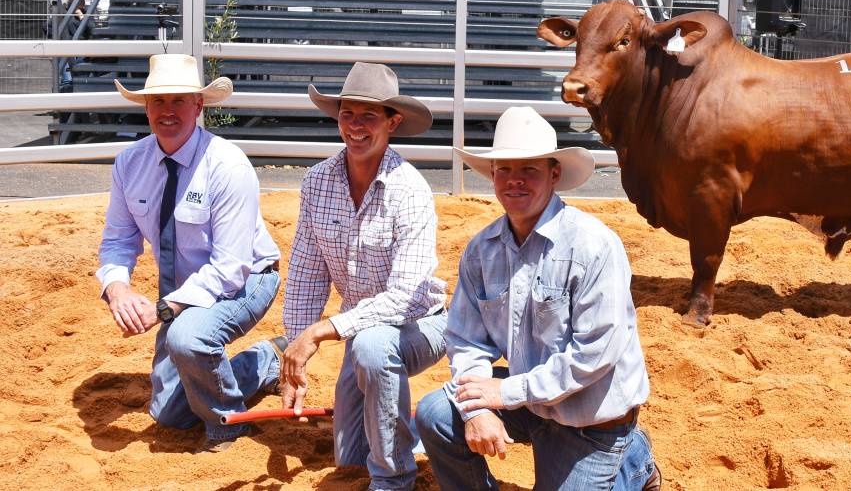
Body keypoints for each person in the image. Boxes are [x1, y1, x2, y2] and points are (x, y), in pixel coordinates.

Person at [415, 106, 661, 490]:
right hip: (530, 399)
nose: (515, 181)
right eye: (505, 170)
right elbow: (465, 340)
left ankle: (633, 461)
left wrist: (506, 391)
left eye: (528, 169)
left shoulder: (592, 245)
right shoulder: (482, 251)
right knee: (436, 413)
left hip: (589, 422)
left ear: (554, 174)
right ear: (493, 176)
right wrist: (478, 407)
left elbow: (595, 354)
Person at [96, 53, 283, 453]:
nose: (168, 111)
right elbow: (117, 241)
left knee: (187, 336)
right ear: (145, 107)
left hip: (249, 279)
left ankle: (228, 424)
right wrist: (117, 289)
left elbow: (231, 268)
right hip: (186, 292)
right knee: (170, 414)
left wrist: (164, 310)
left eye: (179, 100)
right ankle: (264, 361)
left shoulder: (227, 164)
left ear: (198, 106)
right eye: (158, 101)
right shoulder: (129, 163)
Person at [282, 62, 449, 491]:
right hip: (358, 329)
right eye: (347, 114)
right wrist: (297, 351)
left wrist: (322, 332)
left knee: (374, 348)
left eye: (368, 116)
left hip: (422, 323)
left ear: (392, 122)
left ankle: (395, 479)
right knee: (349, 456)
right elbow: (306, 271)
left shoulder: (410, 189)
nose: (355, 126)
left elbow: (405, 297)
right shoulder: (317, 181)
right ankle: (392, 453)